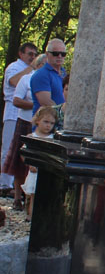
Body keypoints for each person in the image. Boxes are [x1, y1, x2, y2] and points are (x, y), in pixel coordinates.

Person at [4, 54, 44, 211]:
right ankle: (17, 197)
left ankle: (31, 199)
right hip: (25, 121)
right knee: (19, 161)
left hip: (42, 125)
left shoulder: (50, 79)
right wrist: (35, 104)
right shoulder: (26, 79)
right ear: (39, 65)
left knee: (35, 163)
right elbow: (16, 100)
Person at [2, 42, 37, 195]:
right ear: (21, 54)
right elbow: (14, 82)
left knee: (20, 150)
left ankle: (18, 186)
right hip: (12, 112)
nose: (32, 57)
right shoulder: (14, 67)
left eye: (34, 55)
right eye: (29, 54)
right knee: (8, 148)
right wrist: (31, 68)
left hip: (25, 117)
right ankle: (4, 185)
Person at [21, 106, 57, 221]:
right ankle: (31, 216)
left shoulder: (53, 138)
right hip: (34, 170)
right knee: (33, 196)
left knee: (45, 195)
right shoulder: (31, 137)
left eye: (51, 123)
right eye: (45, 122)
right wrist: (29, 163)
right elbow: (23, 152)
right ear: (37, 120)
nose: (48, 125)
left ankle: (43, 217)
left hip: (46, 171)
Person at [30, 40, 67, 114]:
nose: (59, 56)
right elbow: (46, 102)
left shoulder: (64, 73)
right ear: (47, 54)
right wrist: (63, 116)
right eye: (55, 53)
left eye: (63, 54)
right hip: (46, 121)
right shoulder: (41, 75)